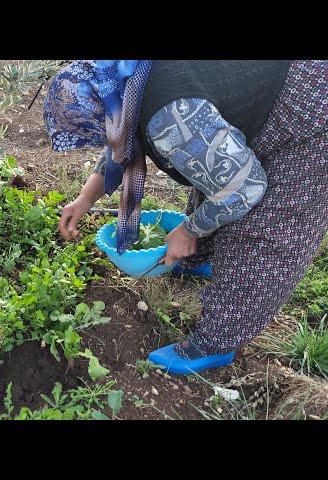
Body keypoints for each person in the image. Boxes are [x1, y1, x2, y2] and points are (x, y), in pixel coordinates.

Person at [43, 60, 328, 375]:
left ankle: (214, 344)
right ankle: (198, 262)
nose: (100, 135)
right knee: (213, 173)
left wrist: (188, 231)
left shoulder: (168, 115)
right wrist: (84, 200)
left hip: (311, 114)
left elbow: (243, 188)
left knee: (260, 229)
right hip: (270, 95)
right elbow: (118, 147)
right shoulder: (126, 85)